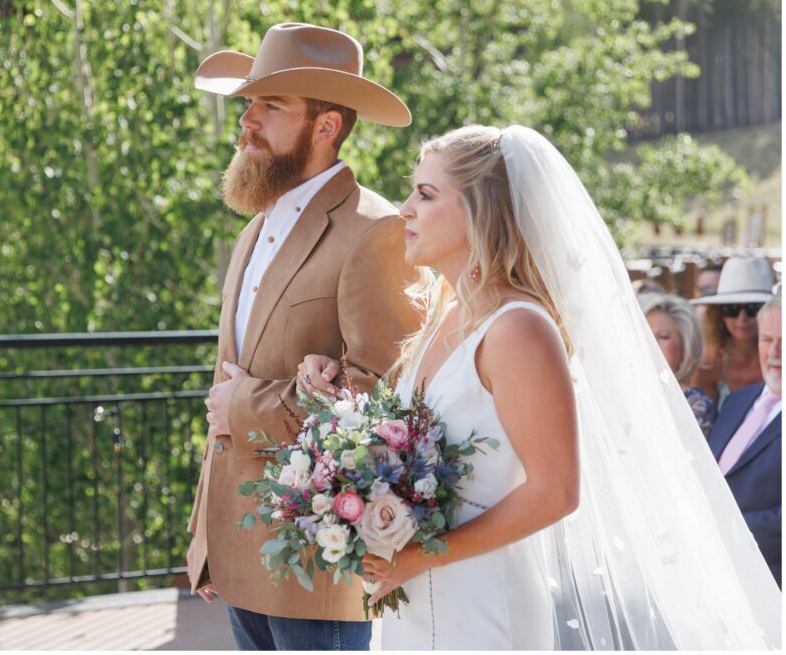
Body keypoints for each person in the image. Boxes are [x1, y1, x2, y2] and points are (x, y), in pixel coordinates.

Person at [299, 125, 781, 649]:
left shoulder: (518, 328)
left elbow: (555, 491)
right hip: (415, 598)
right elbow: (422, 445)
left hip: (484, 604)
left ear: (479, 211)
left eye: (426, 194)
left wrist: (420, 556)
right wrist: (341, 410)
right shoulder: (447, 315)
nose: (404, 209)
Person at [185, 23, 422, 651]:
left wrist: (244, 407)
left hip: (321, 561)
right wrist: (205, 538)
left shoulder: (375, 231)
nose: (248, 121)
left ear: (326, 127)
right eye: (248, 103)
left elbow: (384, 399)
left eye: (272, 106)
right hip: (241, 554)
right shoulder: (253, 230)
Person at [707, 291, 781, 585]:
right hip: (712, 579)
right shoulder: (737, 402)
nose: (775, 351)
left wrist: (729, 533)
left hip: (769, 588)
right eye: (767, 339)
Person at [690, 257, 775, 406]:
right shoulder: (710, 364)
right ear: (719, 314)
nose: (742, 318)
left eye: (753, 308)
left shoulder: (779, 359)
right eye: (732, 309)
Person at [638, 291, 717, 436]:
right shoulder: (624, 392)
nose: (652, 344)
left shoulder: (696, 405)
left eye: (663, 337)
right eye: (645, 335)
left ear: (685, 346)